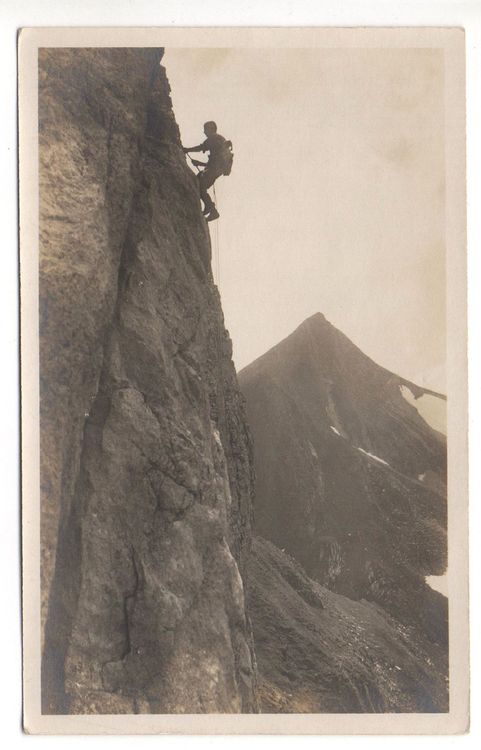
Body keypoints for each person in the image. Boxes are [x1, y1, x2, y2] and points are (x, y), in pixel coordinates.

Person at [183, 121, 232, 222]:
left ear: (211, 129)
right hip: (217, 169)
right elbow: (214, 161)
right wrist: (199, 163)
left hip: (215, 169)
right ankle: (208, 207)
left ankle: (212, 210)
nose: (204, 132)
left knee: (199, 185)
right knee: (199, 181)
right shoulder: (220, 140)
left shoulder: (214, 138)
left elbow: (201, 148)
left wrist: (186, 150)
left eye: (205, 129)